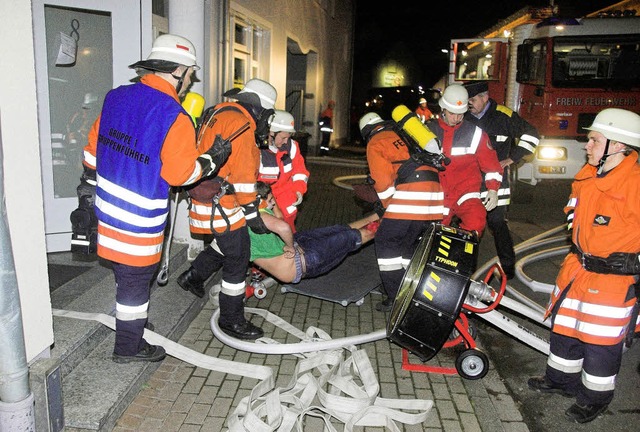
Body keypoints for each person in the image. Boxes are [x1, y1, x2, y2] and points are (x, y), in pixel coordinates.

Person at [71, 34, 232, 363]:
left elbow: (92, 152)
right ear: (178, 71)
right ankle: (128, 347)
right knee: (135, 281)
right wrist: (212, 159)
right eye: (190, 73)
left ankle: (133, 324)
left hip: (106, 207)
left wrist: (88, 187)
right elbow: (179, 175)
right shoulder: (175, 115)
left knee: (124, 273)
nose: (190, 81)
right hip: (138, 218)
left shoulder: (115, 97)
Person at [528, 108, 640, 424]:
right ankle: (561, 381)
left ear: (617, 145)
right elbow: (573, 209)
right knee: (565, 332)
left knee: (600, 346)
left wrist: (636, 260)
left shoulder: (636, 184)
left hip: (612, 281)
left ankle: (595, 399)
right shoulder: (588, 175)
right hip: (577, 270)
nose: (586, 145)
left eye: (594, 139)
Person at [177, 78, 277, 340]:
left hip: (208, 197)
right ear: (260, 109)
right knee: (238, 257)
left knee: (230, 243)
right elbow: (244, 178)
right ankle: (231, 320)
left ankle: (194, 275)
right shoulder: (243, 125)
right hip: (222, 203)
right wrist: (253, 214)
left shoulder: (220, 111)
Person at [360, 112, 445, 312]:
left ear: (367, 132)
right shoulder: (404, 133)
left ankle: (395, 295)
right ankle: (410, 287)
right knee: (409, 244)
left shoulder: (375, 142)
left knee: (386, 241)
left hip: (411, 196)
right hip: (434, 196)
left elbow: (381, 181)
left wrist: (388, 205)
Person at [464, 81, 540, 279]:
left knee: (497, 223)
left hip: (496, 184)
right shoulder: (463, 116)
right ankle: (466, 271)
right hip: (469, 182)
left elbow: (532, 135)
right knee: (470, 227)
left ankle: (508, 269)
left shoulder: (503, 116)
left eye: (472, 100)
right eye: (467, 100)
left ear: (484, 97)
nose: (468, 104)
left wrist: (512, 158)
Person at [249, 182, 378, 283]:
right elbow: (283, 227)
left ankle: (380, 214)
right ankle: (390, 221)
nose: (273, 204)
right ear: (259, 202)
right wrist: (290, 247)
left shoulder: (250, 209)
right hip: (303, 262)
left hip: (299, 245)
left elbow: (279, 217)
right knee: (349, 236)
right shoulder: (257, 217)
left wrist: (266, 193)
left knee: (339, 229)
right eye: (270, 200)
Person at [425, 84, 502, 237]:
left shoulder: (475, 133)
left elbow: (492, 166)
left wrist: (493, 189)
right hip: (437, 193)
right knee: (432, 233)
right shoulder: (427, 132)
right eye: (452, 113)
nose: (457, 118)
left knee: (476, 223)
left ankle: (461, 257)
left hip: (465, 192)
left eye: (461, 113)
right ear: (443, 109)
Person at [257, 110, 309, 232]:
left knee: (290, 239)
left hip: (288, 206)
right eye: (283, 137)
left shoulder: (292, 147)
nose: (286, 141)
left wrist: (299, 190)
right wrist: (272, 208)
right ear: (271, 132)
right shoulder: (257, 151)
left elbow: (300, 172)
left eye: (288, 137)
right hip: (266, 207)